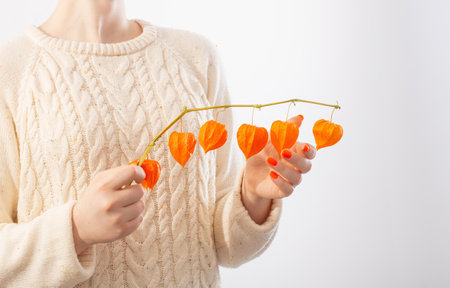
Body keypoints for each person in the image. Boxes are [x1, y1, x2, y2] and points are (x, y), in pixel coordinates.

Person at [0, 0, 316, 287]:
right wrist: (75, 229)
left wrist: (251, 194)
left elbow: (226, 246)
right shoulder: (10, 70)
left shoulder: (196, 56)